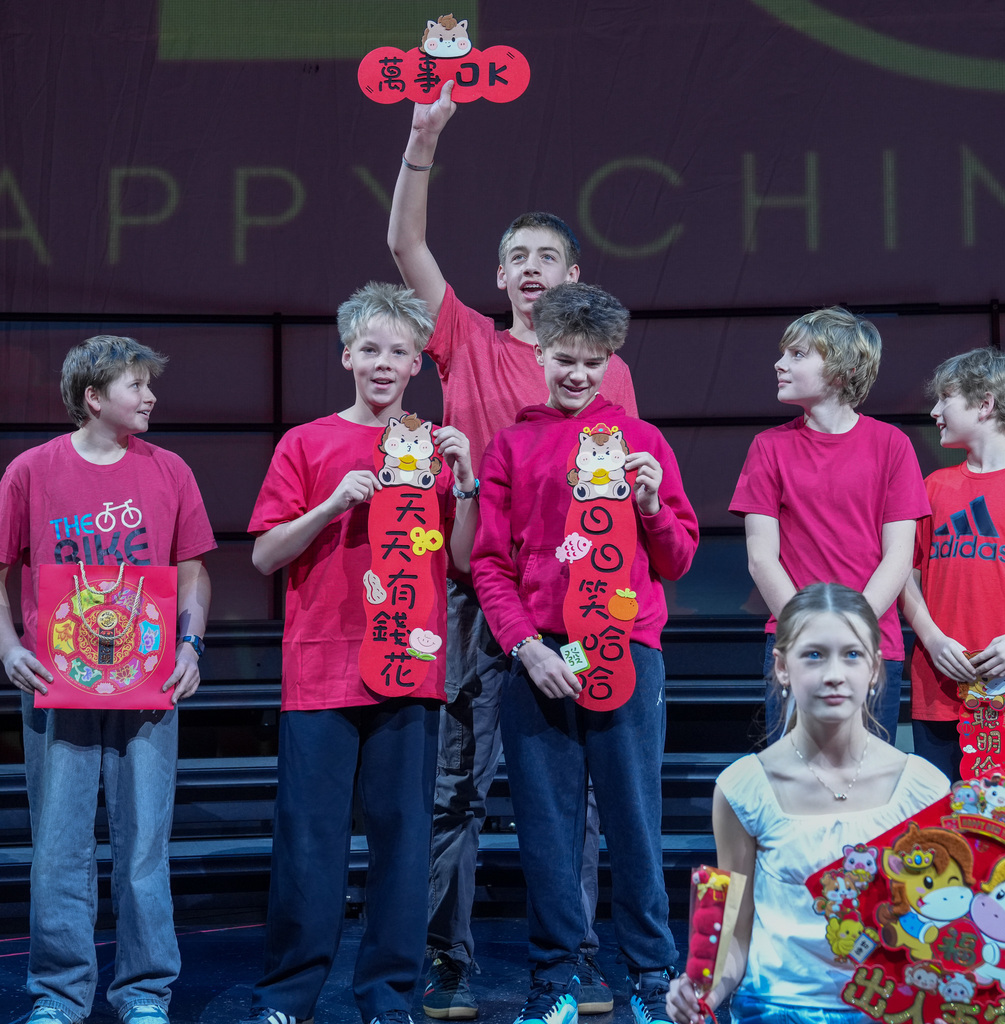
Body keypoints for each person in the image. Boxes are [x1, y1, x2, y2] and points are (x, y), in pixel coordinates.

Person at [388, 80, 637, 1018]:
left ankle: (568, 961)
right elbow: (404, 246)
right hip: (467, 589)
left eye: (548, 256)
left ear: (574, 274)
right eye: (517, 257)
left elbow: (621, 499)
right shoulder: (467, 343)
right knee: (457, 783)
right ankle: (443, 961)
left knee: (568, 797)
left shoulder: (606, 370)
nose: (532, 267)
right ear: (500, 279)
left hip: (570, 604)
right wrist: (424, 138)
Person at [239, 283, 478, 1024]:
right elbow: (265, 557)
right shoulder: (305, 443)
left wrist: (465, 482)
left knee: (403, 847)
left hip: (409, 670)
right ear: (347, 355)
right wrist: (332, 503)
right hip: (320, 670)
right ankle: (288, 997)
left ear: (417, 365)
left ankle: (387, 998)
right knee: (308, 848)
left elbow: (465, 560)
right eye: (369, 349)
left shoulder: (436, 450)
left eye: (398, 352)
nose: (382, 363)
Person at [472, 282, 699, 1024]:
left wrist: (653, 508)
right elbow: (488, 564)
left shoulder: (644, 442)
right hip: (541, 655)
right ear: (540, 354)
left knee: (634, 818)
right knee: (545, 825)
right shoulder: (511, 444)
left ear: (612, 362)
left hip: (627, 649)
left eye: (593, 363)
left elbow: (678, 558)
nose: (578, 375)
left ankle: (650, 974)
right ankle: (557, 977)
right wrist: (525, 647)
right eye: (566, 359)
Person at [0, 335, 215, 1024]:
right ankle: (59, 996)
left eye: (150, 384)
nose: (150, 396)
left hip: (148, 686)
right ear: (93, 398)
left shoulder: (171, 471)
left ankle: (145, 991)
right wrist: (6, 646)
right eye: (136, 385)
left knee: (144, 846)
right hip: (56, 686)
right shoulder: (31, 472)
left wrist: (191, 647)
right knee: (59, 849)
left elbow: (194, 570)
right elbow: (3, 571)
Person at [665, 583, 950, 1024]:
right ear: (782, 667)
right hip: (776, 1009)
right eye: (814, 655)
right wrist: (702, 991)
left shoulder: (925, 789)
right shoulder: (743, 788)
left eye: (852, 655)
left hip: (891, 1011)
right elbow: (734, 938)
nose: (834, 673)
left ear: (875, 668)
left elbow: (939, 929)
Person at [730, 306, 931, 744]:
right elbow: (761, 558)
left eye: (798, 354)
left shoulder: (892, 445)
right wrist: (809, 629)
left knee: (867, 788)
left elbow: (899, 555)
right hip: (796, 640)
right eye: (784, 353)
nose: (780, 364)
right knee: (796, 786)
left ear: (844, 370)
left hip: (873, 642)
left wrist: (851, 628)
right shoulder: (769, 448)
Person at [900, 347, 1005, 782]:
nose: (934, 410)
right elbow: (904, 579)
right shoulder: (932, 488)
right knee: (944, 835)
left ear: (985, 404)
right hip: (941, 693)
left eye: (945, 398)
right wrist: (932, 639)